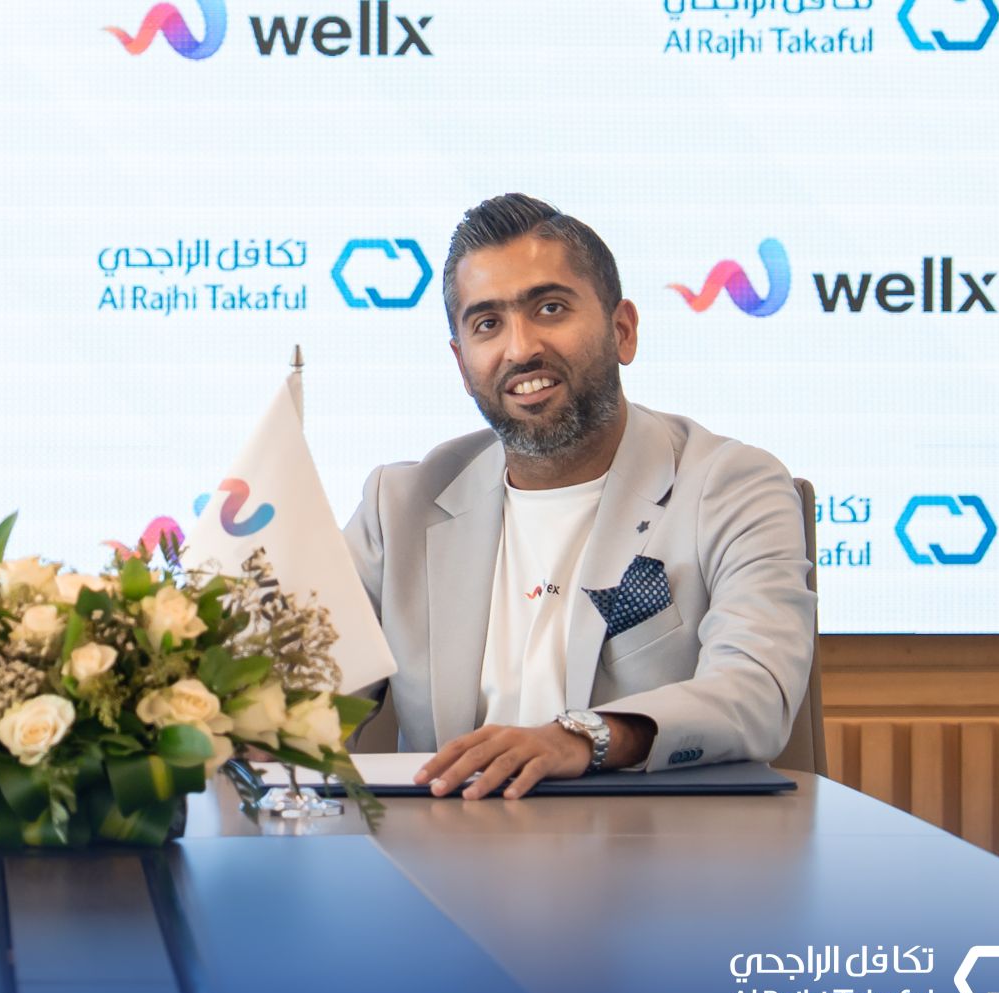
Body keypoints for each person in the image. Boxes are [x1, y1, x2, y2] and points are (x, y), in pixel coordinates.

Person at [343, 193, 814, 799]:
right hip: (448, 840)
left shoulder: (732, 486)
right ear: (462, 365)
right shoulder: (398, 506)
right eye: (488, 324)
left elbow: (755, 692)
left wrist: (580, 738)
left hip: (656, 846)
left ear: (622, 331)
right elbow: (297, 695)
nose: (520, 349)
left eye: (550, 308)